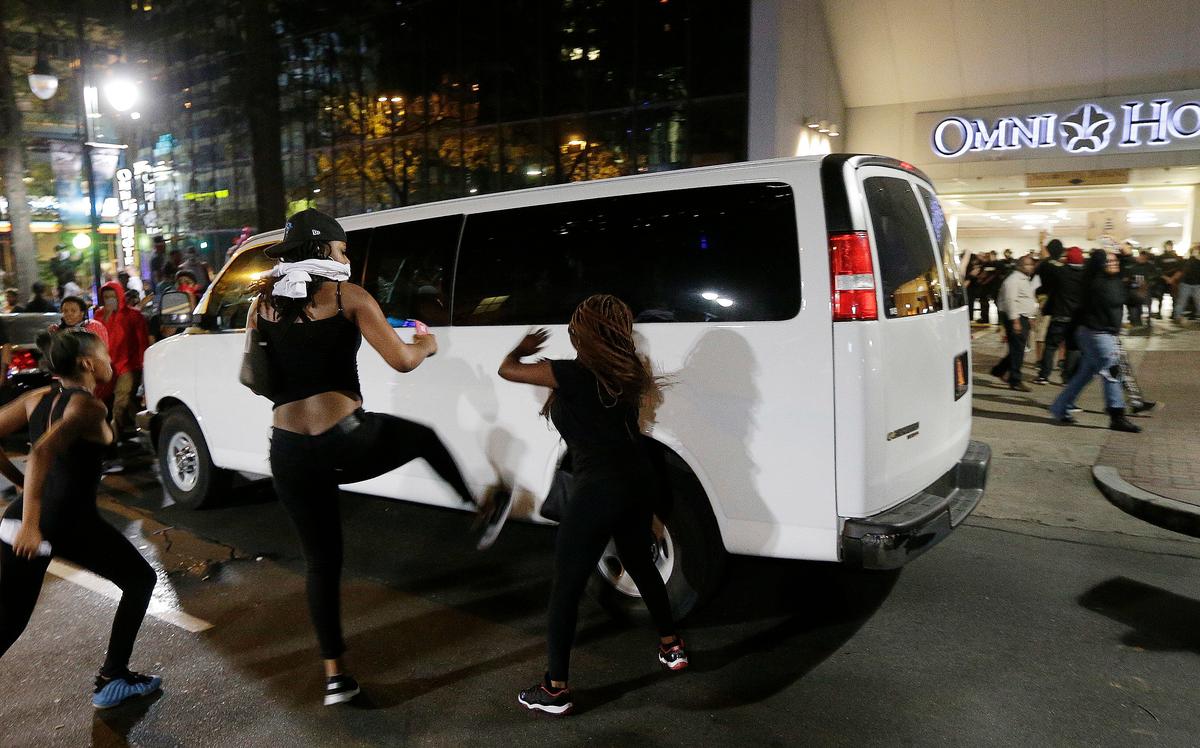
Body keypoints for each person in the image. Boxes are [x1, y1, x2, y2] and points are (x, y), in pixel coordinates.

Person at [248, 208, 504, 706]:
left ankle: (335, 677)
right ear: (325, 249)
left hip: (289, 453)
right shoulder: (348, 295)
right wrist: (427, 345)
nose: (347, 256)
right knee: (423, 438)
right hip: (344, 439)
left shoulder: (263, 304)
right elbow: (402, 361)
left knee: (321, 564)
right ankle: (483, 507)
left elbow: (257, 379)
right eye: (343, 249)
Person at [499, 295, 688, 717]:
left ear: (580, 332)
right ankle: (671, 647)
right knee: (640, 563)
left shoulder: (569, 373)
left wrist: (521, 349)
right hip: (636, 482)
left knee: (566, 589)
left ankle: (554, 689)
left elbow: (506, 370)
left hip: (596, 490)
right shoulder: (630, 372)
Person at [0, 330, 162, 708]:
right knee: (141, 579)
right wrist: (31, 521)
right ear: (88, 363)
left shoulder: (38, 398)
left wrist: (22, 492)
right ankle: (112, 679)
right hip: (60, 523)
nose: (111, 361)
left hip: (29, 521)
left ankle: (115, 676)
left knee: (8, 622)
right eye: (105, 353)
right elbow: (41, 452)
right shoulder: (89, 407)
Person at [1049, 251, 1141, 432]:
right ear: (1099, 264)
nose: (1114, 264)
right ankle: (1117, 415)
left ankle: (1059, 408)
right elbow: (1120, 298)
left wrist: (1129, 285)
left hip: (1093, 334)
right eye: (1109, 261)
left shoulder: (1106, 281)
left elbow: (1132, 299)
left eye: (1115, 260)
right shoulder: (1099, 284)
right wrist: (1130, 285)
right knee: (1112, 372)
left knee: (1084, 376)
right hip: (1098, 334)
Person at [94, 282, 149, 445]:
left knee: (120, 400)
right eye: (106, 297)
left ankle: (112, 438)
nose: (109, 300)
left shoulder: (133, 316)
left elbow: (142, 341)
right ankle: (143, 428)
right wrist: (106, 318)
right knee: (124, 402)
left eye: (112, 296)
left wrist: (143, 365)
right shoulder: (99, 316)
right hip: (107, 366)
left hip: (129, 365)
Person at [1035, 247, 1085, 384]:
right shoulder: (1086, 275)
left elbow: (1047, 281)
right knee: (1072, 348)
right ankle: (1067, 378)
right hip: (1076, 319)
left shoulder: (1061, 272)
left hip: (1059, 315)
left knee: (1051, 346)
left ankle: (1044, 375)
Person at [990, 254, 1038, 391]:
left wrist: (1030, 317)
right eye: (1027, 264)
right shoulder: (1013, 280)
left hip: (1023, 317)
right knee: (1018, 351)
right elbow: (1010, 301)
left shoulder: (1024, 279)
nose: (1030, 267)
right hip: (1016, 318)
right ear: (1019, 266)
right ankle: (1015, 380)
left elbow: (1024, 299)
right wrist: (1016, 321)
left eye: (1031, 264)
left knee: (1017, 349)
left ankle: (999, 370)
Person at [1123, 251, 1155, 328]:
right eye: (1140, 257)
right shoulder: (1132, 266)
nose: (1141, 258)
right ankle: (1135, 321)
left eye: (1144, 257)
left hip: (1146, 290)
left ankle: (1146, 320)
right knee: (1135, 308)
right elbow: (1127, 279)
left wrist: (1145, 285)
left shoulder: (1150, 267)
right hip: (1134, 290)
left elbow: (1153, 278)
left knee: (1146, 305)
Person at [1172, 244, 1200, 322]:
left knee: (1183, 301)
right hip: (1187, 284)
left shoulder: (1186, 261)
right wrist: (1173, 279)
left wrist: (1173, 279)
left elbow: (1180, 271)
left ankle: (1177, 316)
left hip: (1193, 284)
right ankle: (1177, 316)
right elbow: (1180, 271)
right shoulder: (1187, 261)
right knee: (1182, 301)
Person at [1157, 242, 1181, 319]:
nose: (1169, 247)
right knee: (1160, 297)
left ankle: (1173, 314)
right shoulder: (1161, 257)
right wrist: (1167, 278)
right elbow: (1158, 270)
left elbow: (1179, 269)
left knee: (1174, 298)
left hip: (1172, 280)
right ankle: (1159, 313)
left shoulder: (1176, 257)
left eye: (1170, 246)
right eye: (1168, 246)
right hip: (1163, 280)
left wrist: (1172, 279)